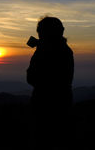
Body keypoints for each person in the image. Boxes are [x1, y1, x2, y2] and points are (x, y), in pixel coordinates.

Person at [26, 16, 74, 150]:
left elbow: (32, 77)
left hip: (45, 107)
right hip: (62, 104)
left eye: (41, 33)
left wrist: (40, 49)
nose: (39, 36)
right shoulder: (65, 50)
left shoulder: (48, 51)